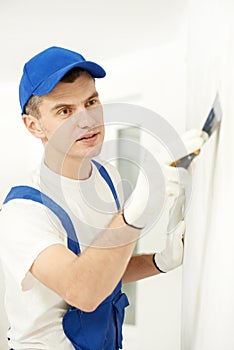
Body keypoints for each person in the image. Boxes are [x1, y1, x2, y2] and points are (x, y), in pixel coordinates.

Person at [0, 46, 207, 350]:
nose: (87, 121)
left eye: (91, 102)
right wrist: (134, 215)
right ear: (34, 126)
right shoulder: (22, 212)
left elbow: (103, 270)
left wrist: (159, 261)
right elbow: (82, 290)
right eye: (64, 111)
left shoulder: (107, 179)